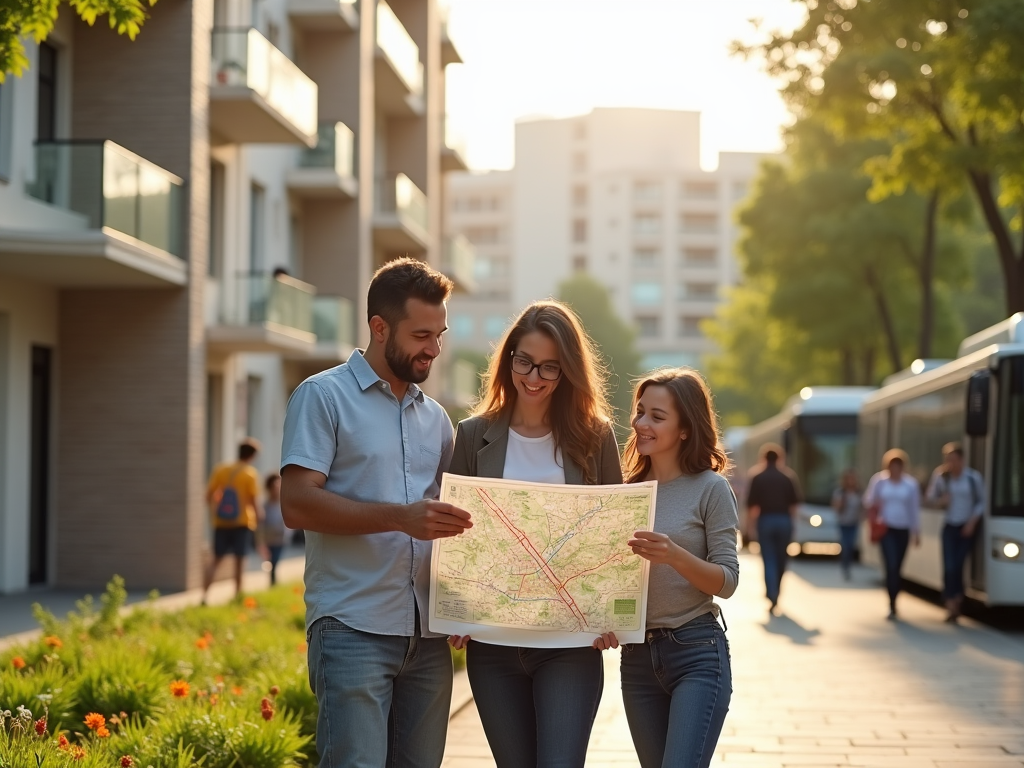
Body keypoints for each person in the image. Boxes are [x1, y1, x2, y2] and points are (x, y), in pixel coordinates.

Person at [280, 258, 473, 768]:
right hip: (351, 628)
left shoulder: (437, 421)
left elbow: (451, 527)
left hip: (428, 638)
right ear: (379, 327)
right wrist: (398, 517)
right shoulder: (322, 397)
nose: (434, 348)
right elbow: (296, 503)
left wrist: (465, 605)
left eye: (440, 334)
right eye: (421, 335)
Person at [446, 300, 623, 768]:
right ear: (508, 360)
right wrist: (454, 609)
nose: (534, 376)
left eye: (550, 367)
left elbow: (614, 534)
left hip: (571, 647)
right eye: (524, 361)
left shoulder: (596, 437)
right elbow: (453, 533)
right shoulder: (471, 436)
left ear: (568, 371)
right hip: (492, 646)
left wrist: (614, 613)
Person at [600, 368, 738, 768]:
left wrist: (675, 555)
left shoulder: (711, 489)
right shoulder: (624, 492)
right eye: (640, 412)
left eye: (657, 417)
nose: (641, 424)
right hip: (637, 658)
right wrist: (602, 620)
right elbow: (609, 580)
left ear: (685, 429)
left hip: (696, 652)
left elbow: (727, 581)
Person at [926, 443, 984, 623]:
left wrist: (972, 522)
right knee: (949, 565)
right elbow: (930, 498)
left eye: (954, 459)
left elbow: (981, 502)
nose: (951, 463)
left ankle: (956, 601)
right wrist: (941, 501)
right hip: (950, 526)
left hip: (966, 527)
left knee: (959, 565)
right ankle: (951, 603)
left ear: (962, 460)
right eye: (948, 460)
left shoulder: (972, 478)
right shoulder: (941, 477)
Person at [204, 438, 264, 603]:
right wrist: (259, 518)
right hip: (242, 523)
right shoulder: (249, 473)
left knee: (216, 560)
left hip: (221, 522)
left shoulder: (221, 470)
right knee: (239, 561)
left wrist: (217, 511)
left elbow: (208, 495)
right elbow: (253, 501)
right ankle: (237, 596)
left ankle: (204, 596)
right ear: (252, 456)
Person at [864, 449, 920, 620]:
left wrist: (916, 531)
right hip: (886, 528)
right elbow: (867, 501)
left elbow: (914, 510)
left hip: (902, 528)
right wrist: (876, 502)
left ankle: (895, 596)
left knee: (898, 566)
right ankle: (892, 603)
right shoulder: (879, 481)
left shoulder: (910, 484)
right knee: (891, 564)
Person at [746, 443, 800, 613]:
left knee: (768, 559)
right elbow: (794, 505)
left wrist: (750, 527)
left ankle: (772, 594)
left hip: (766, 520)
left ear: (763, 459)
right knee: (781, 559)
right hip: (784, 521)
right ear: (780, 459)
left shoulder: (757, 477)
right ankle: (776, 591)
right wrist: (793, 525)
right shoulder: (788, 477)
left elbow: (752, 506)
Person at [831, 469, 863, 581]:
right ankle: (845, 567)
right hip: (843, 523)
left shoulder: (858, 493)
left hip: (854, 523)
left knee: (851, 545)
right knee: (845, 545)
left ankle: (848, 565)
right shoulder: (840, 492)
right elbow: (835, 507)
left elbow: (863, 508)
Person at [262, 473, 286, 586]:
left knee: (275, 560)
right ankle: (273, 581)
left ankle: (273, 581)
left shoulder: (283, 504)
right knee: (271, 561)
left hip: (280, 538)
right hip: (268, 539)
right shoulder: (265, 506)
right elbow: (261, 524)